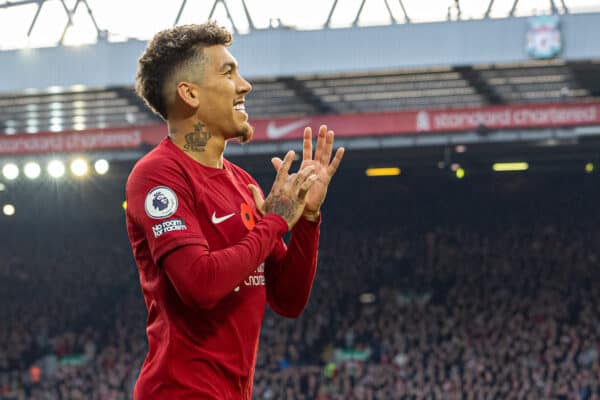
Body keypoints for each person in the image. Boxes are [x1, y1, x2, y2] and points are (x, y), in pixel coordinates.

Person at [125, 22, 344, 399]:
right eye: (228, 73)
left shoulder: (243, 184)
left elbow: (288, 300)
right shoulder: (158, 174)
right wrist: (275, 221)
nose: (245, 85)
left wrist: (306, 218)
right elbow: (200, 285)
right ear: (189, 93)